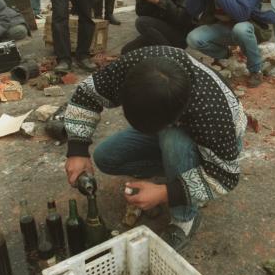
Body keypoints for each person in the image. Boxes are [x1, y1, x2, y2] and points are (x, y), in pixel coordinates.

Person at [64, 45, 248, 251]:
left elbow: (225, 176)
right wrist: (77, 149)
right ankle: (178, 171)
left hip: (214, 152)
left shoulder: (212, 114)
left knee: (174, 141)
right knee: (106, 157)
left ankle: (184, 218)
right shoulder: (135, 67)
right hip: (170, 124)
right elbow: (87, 94)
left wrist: (165, 192)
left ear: (175, 117)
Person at [186, 0, 275, 88]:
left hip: (247, 27)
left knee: (241, 29)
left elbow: (242, 14)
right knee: (193, 38)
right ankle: (226, 56)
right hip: (222, 27)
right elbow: (192, 10)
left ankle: (255, 69)